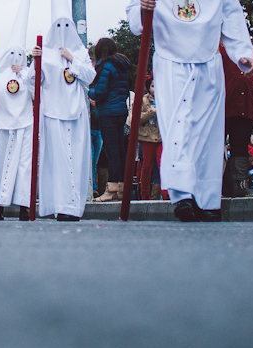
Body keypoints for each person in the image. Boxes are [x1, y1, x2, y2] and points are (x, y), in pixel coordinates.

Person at [129, 0, 253, 222]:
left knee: (208, 133)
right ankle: (182, 195)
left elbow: (232, 15)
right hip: (170, 61)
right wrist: (143, 9)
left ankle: (208, 200)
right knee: (178, 125)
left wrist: (242, 53)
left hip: (208, 63)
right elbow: (136, 22)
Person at [35, 0, 95, 222]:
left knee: (76, 159)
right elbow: (35, 82)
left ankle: (74, 206)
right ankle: (60, 205)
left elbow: (90, 76)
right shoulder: (46, 54)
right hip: (53, 112)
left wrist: (73, 61)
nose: (62, 32)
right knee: (57, 161)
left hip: (76, 113)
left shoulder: (80, 52)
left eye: (66, 26)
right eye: (58, 27)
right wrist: (36, 61)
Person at [0, 0, 34, 220]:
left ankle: (24, 207)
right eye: (12, 55)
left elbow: (37, 90)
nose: (16, 59)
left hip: (24, 124)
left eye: (20, 55)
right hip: (4, 126)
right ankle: (0, 206)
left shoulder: (28, 75)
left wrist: (25, 72)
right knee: (3, 167)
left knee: (24, 167)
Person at [88, 37, 132, 201]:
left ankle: (111, 189)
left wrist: (90, 93)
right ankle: (121, 187)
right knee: (120, 151)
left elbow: (100, 92)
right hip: (121, 110)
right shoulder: (122, 65)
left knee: (111, 152)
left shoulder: (105, 66)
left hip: (108, 112)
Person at [221, 42, 253, 197]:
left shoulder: (248, 49)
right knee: (215, 147)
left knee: (240, 146)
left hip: (245, 107)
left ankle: (239, 184)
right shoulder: (215, 48)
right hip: (222, 106)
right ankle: (214, 184)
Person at [138, 78, 164, 199]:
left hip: (161, 137)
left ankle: (166, 195)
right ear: (149, 87)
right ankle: (145, 195)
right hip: (147, 138)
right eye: (153, 86)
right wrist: (151, 112)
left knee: (163, 166)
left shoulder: (166, 100)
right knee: (146, 167)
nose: (155, 89)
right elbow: (137, 118)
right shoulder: (142, 100)